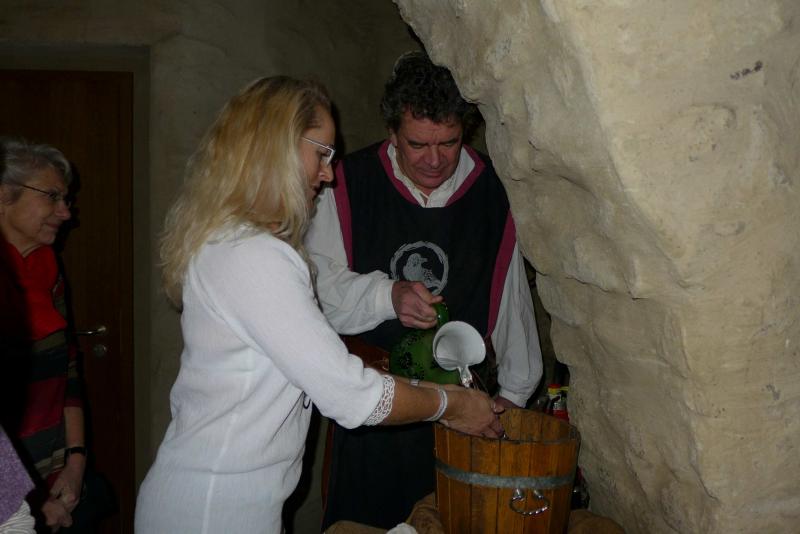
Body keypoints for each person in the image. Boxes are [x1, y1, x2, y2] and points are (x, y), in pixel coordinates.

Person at [133, 76, 502, 534]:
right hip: (213, 509)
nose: (328, 174)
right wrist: (452, 404)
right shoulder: (255, 256)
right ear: (278, 151)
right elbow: (351, 395)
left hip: (223, 500)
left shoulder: (235, 242)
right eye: (322, 154)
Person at [305, 51, 544, 529]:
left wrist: (513, 396)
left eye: (449, 143)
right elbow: (318, 290)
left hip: (466, 411)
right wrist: (388, 296)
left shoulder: (494, 190)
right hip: (374, 410)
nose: (435, 160)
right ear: (392, 133)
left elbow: (509, 296)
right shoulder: (345, 183)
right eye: (417, 144)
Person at [0, 138, 88, 532]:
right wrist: (32, 498)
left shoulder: (47, 268)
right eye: (52, 196)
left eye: (65, 199)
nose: (66, 212)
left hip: (54, 474)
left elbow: (68, 366)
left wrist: (75, 461)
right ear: (3, 196)